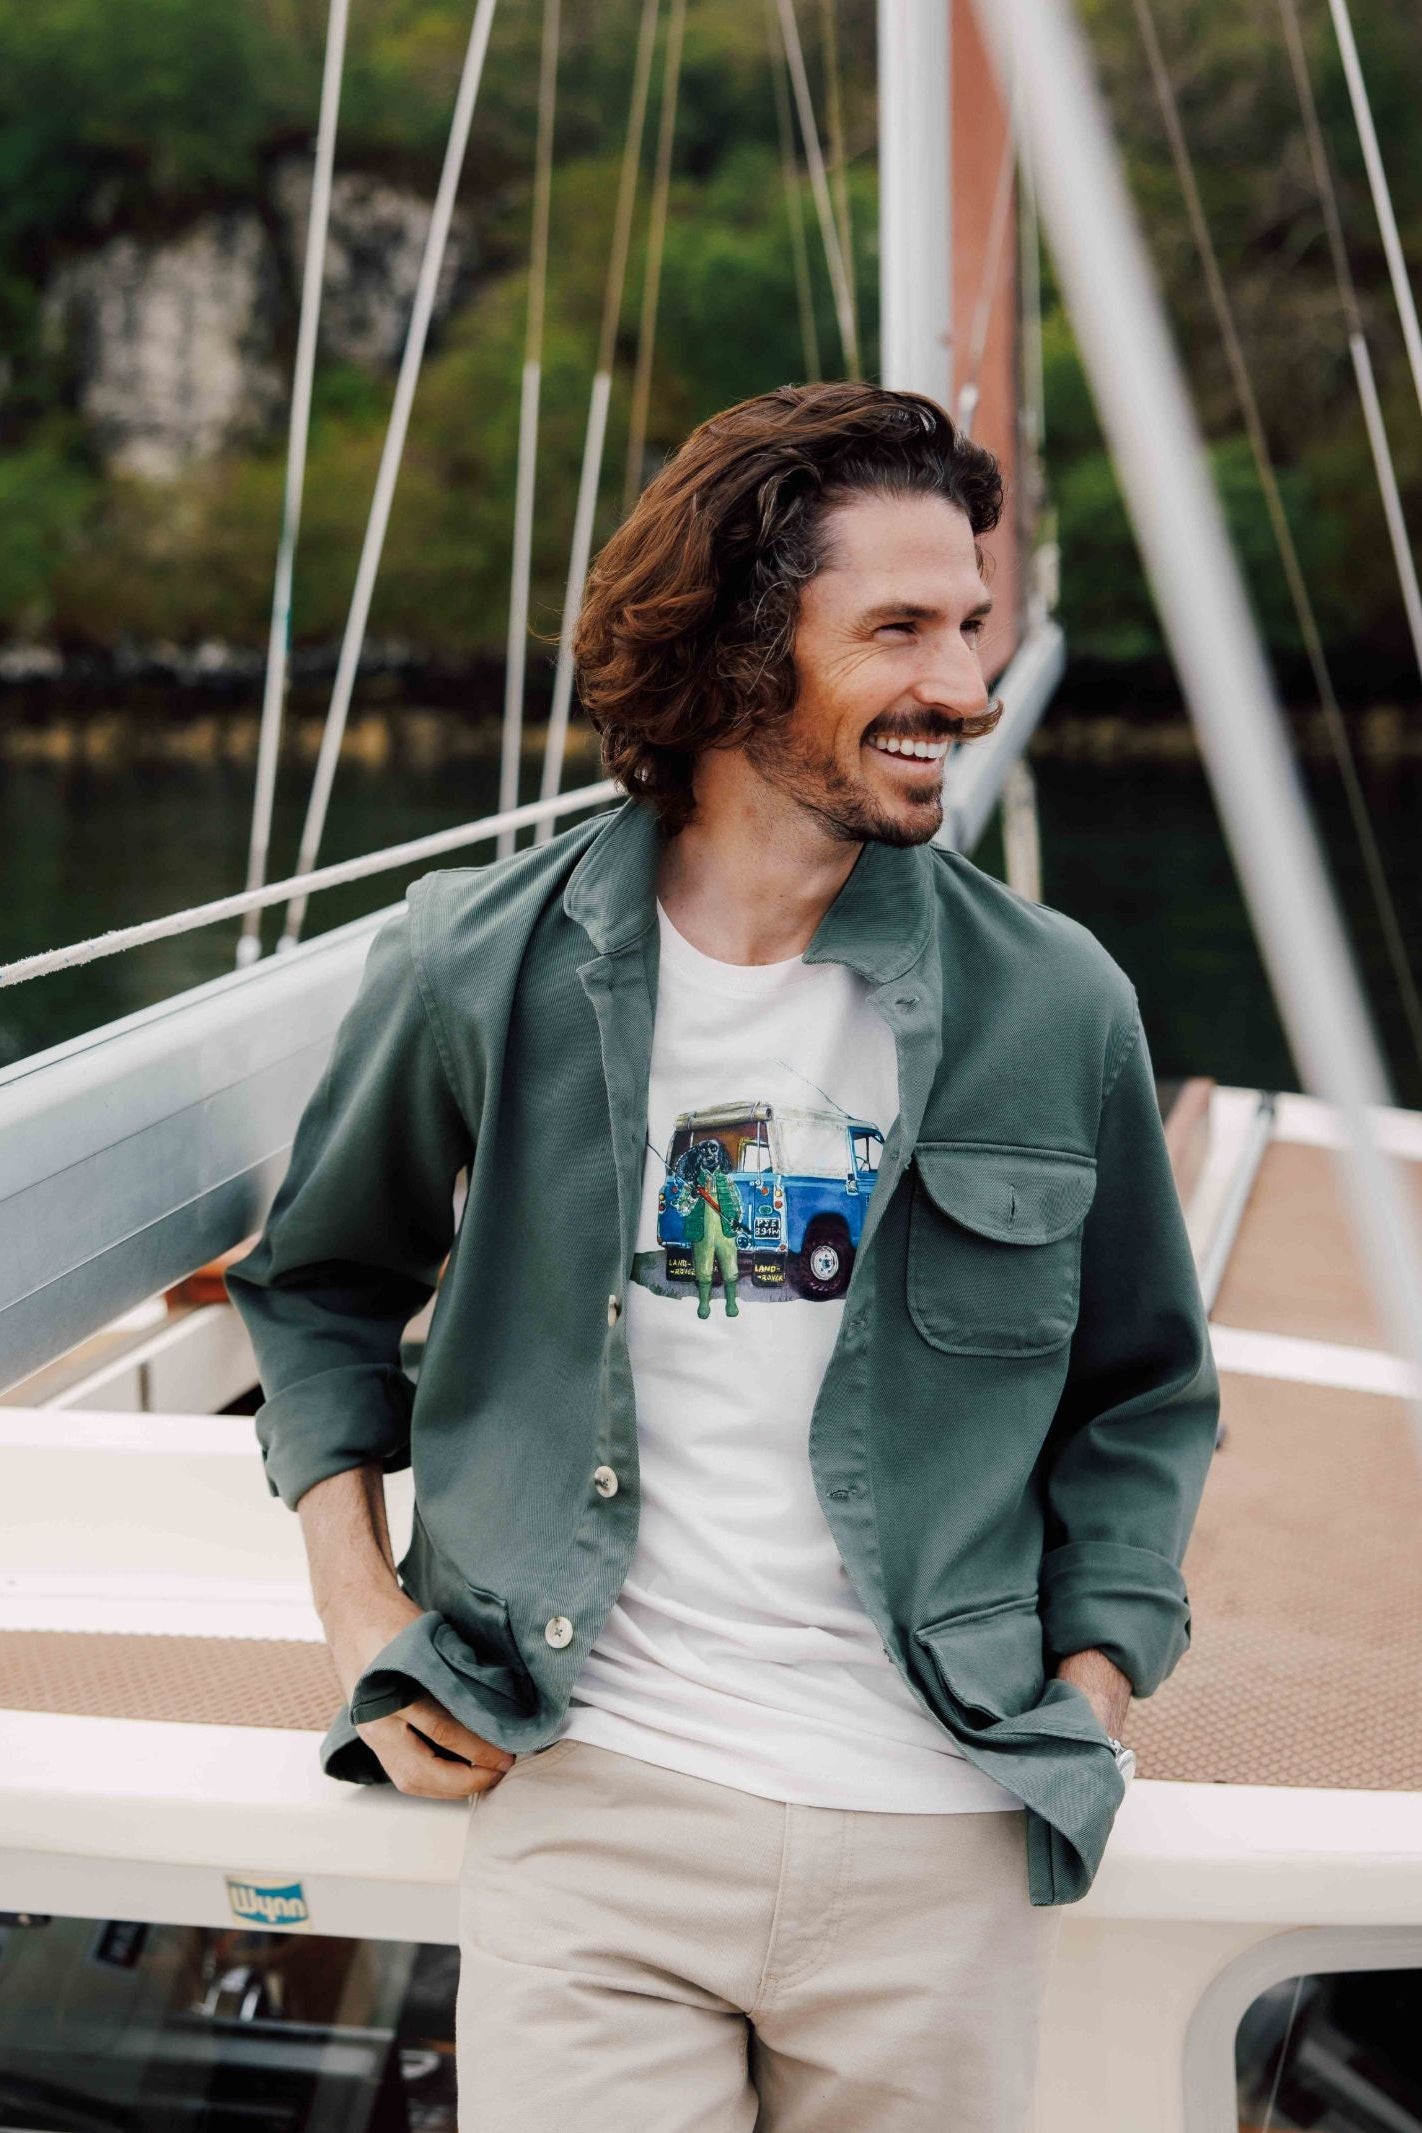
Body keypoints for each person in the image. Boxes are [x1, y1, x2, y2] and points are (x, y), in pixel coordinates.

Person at [225, 382, 1220, 2132]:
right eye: (899, 629)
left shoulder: (1054, 1003)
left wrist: (1089, 1681)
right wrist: (361, 1615)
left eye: (972, 628)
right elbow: (314, 1282)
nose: (967, 690)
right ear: (739, 647)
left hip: (941, 1817)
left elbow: (1143, 1391)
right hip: (589, 1798)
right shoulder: (480, 964)